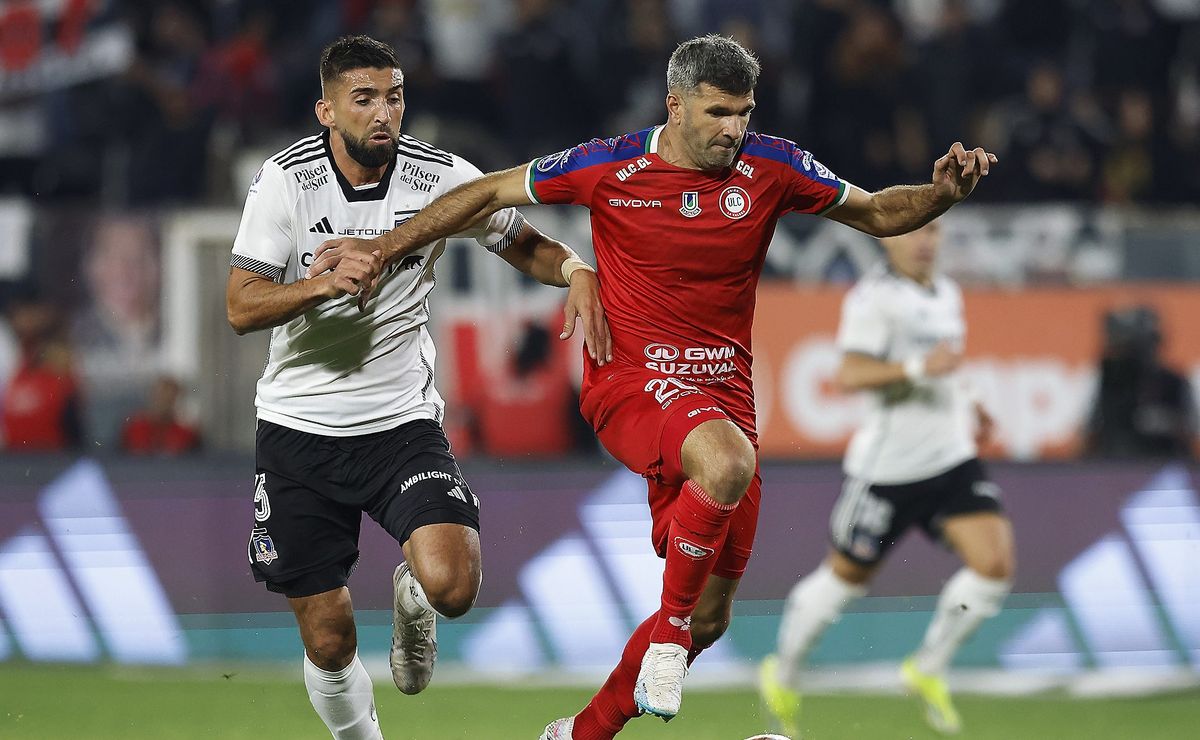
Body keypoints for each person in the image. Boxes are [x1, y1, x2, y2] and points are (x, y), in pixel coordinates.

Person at [307, 34, 997, 740]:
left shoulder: (774, 164)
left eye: (745, 112)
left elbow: (880, 211)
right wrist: (384, 247)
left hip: (725, 401)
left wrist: (940, 194)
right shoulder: (609, 165)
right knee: (721, 482)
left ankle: (578, 734)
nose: (735, 129)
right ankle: (665, 640)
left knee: (713, 616)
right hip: (630, 384)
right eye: (719, 112)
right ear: (676, 105)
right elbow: (485, 192)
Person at [225, 36, 608, 740]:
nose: (383, 114)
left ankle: (415, 590)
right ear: (327, 110)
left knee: (454, 588)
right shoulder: (284, 181)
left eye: (394, 97)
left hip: (400, 424)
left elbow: (520, 240)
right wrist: (319, 284)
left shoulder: (441, 178)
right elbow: (241, 306)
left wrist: (576, 269)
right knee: (330, 639)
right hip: (297, 430)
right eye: (364, 99)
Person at [759, 220, 1014, 737]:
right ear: (887, 237)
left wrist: (972, 404)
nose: (925, 241)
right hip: (889, 469)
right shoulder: (872, 300)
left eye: (935, 232)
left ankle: (928, 667)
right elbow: (850, 374)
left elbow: (949, 368)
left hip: (951, 457)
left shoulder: (948, 293)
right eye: (914, 232)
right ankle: (782, 673)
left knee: (994, 565)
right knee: (846, 580)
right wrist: (919, 367)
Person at [1084, 305, 1196, 459]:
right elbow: (1091, 432)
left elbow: (1190, 430)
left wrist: (1166, 422)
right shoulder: (1110, 383)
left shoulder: (1174, 382)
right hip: (1116, 465)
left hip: (1164, 466)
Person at [119, 375, 201, 455]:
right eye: (160, 397)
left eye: (169, 398)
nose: (164, 403)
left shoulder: (186, 435)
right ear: (152, 397)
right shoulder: (133, 429)